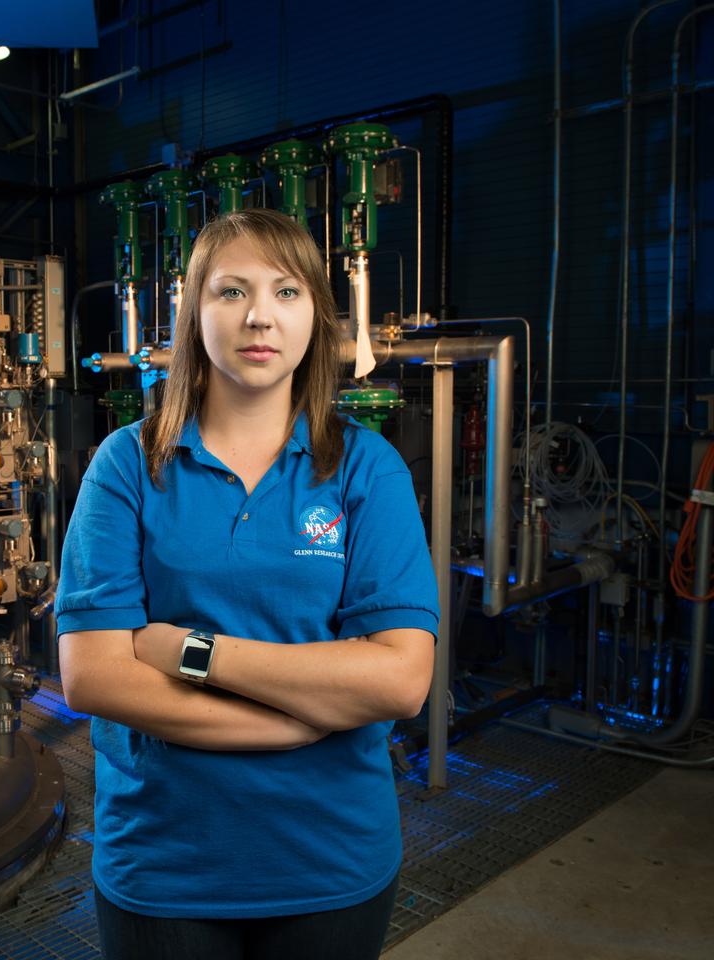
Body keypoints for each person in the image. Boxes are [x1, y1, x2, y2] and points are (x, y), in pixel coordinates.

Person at [54, 207, 439, 960]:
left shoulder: (365, 469)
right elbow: (92, 675)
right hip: (166, 868)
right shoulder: (128, 465)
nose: (259, 316)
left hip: (329, 862)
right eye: (231, 291)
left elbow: (400, 680)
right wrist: (293, 725)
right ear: (193, 313)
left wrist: (190, 651)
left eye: (287, 292)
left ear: (316, 320)